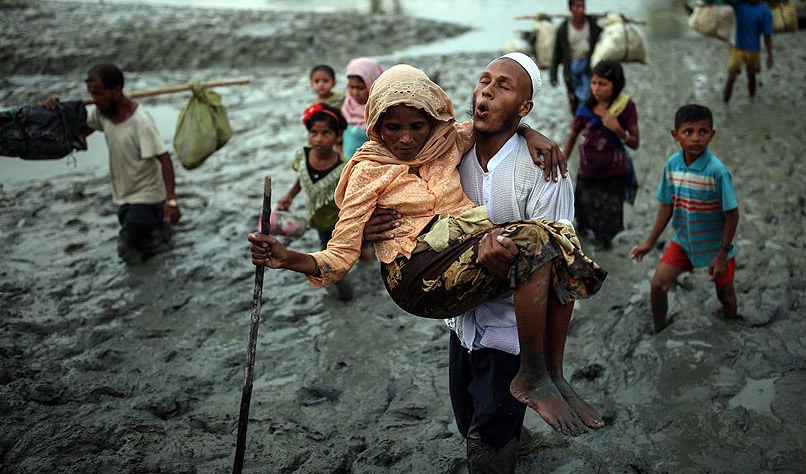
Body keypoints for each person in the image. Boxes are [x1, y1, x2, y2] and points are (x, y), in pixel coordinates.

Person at [248, 61, 606, 440]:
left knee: (557, 243)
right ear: (376, 125)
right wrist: (287, 258)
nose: (405, 139)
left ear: (433, 122)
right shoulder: (368, 171)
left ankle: (549, 372)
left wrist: (532, 133)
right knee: (537, 239)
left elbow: (494, 127)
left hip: (483, 296)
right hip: (417, 278)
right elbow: (339, 252)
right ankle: (536, 376)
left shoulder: (453, 145)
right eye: (393, 127)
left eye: (416, 126)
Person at [365, 53, 607, 472]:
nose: (487, 91)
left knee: (488, 441)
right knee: (467, 419)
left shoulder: (543, 169)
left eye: (503, 86)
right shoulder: (449, 152)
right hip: (462, 321)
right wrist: (370, 224)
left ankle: (530, 394)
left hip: (512, 331)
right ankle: (519, 439)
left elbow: (561, 256)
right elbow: (396, 180)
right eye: (483, 81)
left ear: (523, 107)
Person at [42, 63, 181, 262]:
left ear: (116, 90)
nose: (94, 101)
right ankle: (164, 235)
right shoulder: (102, 114)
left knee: (127, 246)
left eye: (98, 94)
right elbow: (77, 133)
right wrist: (54, 113)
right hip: (123, 198)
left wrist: (172, 200)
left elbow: (165, 159)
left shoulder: (140, 121)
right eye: (91, 94)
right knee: (148, 248)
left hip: (147, 197)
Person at [629, 104, 739, 333]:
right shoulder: (672, 165)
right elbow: (666, 206)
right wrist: (649, 242)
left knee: (726, 294)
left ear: (712, 134)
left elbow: (732, 214)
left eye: (703, 132)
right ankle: (659, 328)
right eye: (688, 132)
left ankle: (733, 327)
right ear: (675, 135)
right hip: (684, 241)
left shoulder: (717, 171)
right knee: (658, 284)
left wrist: (722, 254)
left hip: (715, 246)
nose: (696, 138)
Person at [271, 103, 353, 301]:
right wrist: (289, 196)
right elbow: (303, 177)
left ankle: (346, 299)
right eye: (314, 133)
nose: (318, 139)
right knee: (327, 255)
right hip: (318, 220)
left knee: (332, 265)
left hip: (338, 224)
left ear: (337, 136)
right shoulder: (302, 156)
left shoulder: (343, 167)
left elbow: (351, 197)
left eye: (326, 133)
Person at [562, 60, 640, 248]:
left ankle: (605, 251)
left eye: (603, 84)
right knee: (584, 215)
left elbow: (635, 143)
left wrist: (618, 130)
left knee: (608, 219)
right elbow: (573, 136)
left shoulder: (626, 107)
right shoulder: (586, 107)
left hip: (613, 174)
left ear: (617, 84)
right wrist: (561, 163)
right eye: (594, 83)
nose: (596, 88)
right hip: (587, 171)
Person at [549, 0, 602, 115]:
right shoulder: (563, 28)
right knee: (574, 98)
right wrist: (553, 75)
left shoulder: (592, 26)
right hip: (571, 69)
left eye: (583, 6)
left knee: (590, 96)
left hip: (588, 67)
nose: (581, 10)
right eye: (577, 7)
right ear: (570, 9)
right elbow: (556, 53)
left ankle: (589, 123)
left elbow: (603, 41)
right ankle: (578, 123)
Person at [723, 0, 774, 103]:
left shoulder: (765, 10)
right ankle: (725, 104)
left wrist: (770, 55)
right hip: (736, 47)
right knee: (731, 77)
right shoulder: (738, 6)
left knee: (751, 76)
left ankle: (751, 100)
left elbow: (767, 35)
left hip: (753, 49)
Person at [341, 57, 384, 160]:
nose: (355, 93)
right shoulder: (347, 105)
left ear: (373, 84)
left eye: (360, 88)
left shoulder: (381, 110)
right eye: (351, 87)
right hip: (346, 162)